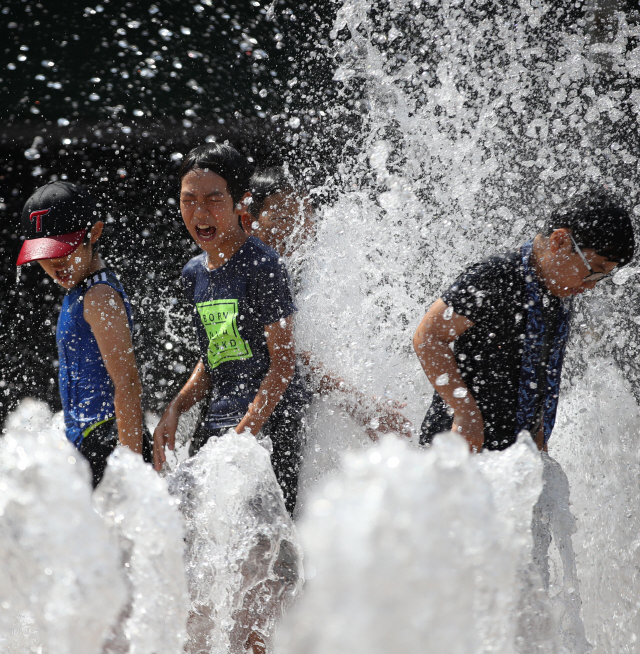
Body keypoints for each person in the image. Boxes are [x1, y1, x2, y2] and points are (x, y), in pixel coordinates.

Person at [413, 189, 635, 452]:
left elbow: (541, 374)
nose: (592, 286)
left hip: (513, 458)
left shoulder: (556, 292)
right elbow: (428, 337)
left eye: (602, 278)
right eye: (593, 273)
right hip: (459, 448)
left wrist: (539, 437)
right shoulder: (495, 276)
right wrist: (464, 412)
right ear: (560, 242)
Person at [153, 144, 310, 516]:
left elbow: (282, 365)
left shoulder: (263, 265)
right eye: (188, 200)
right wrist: (175, 407)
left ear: (242, 201)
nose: (200, 213)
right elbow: (214, 358)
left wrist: (243, 437)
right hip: (220, 422)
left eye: (213, 199)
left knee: (263, 559)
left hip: (269, 426)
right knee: (191, 529)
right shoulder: (194, 273)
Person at [242, 166, 412, 442]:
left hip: (274, 415)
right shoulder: (255, 270)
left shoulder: (292, 272)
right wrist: (360, 406)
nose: (296, 228)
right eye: (284, 216)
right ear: (250, 218)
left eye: (304, 216)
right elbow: (293, 357)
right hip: (256, 417)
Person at [16, 181, 152, 487]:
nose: (54, 263)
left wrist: (131, 474)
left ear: (95, 233)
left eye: (63, 250)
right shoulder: (80, 289)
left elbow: (128, 383)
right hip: (89, 442)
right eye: (44, 254)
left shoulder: (99, 295)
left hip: (109, 441)